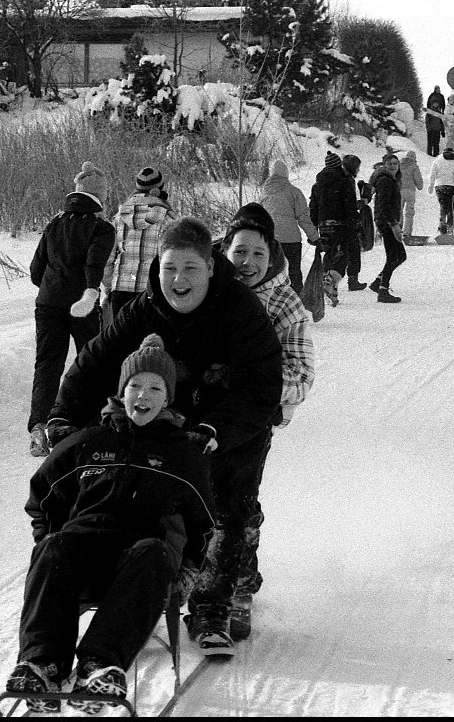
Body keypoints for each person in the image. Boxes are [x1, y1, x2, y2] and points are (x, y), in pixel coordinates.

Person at [44, 216, 283, 656]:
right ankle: (135, 580)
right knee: (146, 499)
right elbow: (95, 363)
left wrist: (216, 430)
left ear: (211, 266)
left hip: (231, 425)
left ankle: (212, 607)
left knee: (225, 508)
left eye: (190, 268)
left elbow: (263, 386)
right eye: (170, 267)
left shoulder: (241, 311)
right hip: (167, 419)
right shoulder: (144, 308)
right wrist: (62, 417)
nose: (179, 279)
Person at [5, 334, 216, 714]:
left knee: (152, 550)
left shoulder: (182, 455)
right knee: (55, 546)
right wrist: (48, 538)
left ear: (167, 397)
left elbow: (202, 524)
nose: (143, 395)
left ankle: (100, 664)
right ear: (121, 391)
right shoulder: (88, 441)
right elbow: (43, 496)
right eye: (135, 385)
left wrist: (186, 572)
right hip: (84, 558)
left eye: (155, 387)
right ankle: (42, 664)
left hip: (139, 566)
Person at [218, 202, 315, 639]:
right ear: (226, 250)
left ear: (272, 254)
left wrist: (256, 389)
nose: (248, 263)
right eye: (240, 252)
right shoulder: (205, 286)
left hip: (253, 420)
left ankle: (239, 586)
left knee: (237, 501)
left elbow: (301, 373)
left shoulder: (285, 305)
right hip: (199, 413)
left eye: (258, 254)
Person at [28, 161, 116, 457]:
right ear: (100, 197)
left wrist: (54, 286)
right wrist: (88, 290)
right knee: (89, 361)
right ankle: (88, 423)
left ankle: (39, 428)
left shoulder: (54, 223)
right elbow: (94, 264)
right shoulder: (101, 228)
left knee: (47, 363)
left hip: (48, 303)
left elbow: (35, 270)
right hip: (82, 304)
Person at [102, 166, 177, 325]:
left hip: (120, 290)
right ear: (160, 189)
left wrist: (111, 284)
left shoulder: (119, 217)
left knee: (122, 344)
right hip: (152, 292)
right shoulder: (168, 220)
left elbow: (107, 259)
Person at [258, 159, 320, 295]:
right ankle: (297, 299)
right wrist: (315, 238)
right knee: (294, 272)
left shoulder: (264, 193)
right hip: (291, 240)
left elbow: (259, 217)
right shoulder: (293, 192)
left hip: (271, 240)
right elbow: (303, 218)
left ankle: (272, 299)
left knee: (272, 272)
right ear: (286, 174)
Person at [308, 151, 360, 306]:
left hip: (323, 226)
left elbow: (313, 208)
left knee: (329, 255)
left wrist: (313, 230)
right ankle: (329, 283)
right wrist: (355, 223)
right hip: (340, 225)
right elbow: (349, 205)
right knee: (342, 256)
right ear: (339, 166)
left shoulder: (317, 185)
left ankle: (329, 290)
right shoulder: (344, 182)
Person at [367, 154, 406, 304]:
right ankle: (383, 290)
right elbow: (383, 205)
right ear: (384, 165)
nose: (393, 166)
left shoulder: (391, 180)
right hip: (386, 222)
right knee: (395, 256)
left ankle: (379, 282)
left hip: (387, 221)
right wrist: (393, 224)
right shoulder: (385, 181)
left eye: (395, 163)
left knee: (399, 255)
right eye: (389, 163)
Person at [340, 154, 368, 291]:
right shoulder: (348, 180)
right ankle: (353, 280)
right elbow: (350, 203)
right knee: (353, 249)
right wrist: (363, 202)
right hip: (348, 220)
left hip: (336, 219)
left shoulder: (338, 178)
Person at [428, 144, 454, 235]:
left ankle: (442, 229)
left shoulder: (437, 160)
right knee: (450, 208)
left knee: (442, 207)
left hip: (439, 186)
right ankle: (450, 229)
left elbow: (432, 174)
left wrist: (431, 185)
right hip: (450, 187)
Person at [398, 150, 424, 238]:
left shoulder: (399, 165)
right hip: (410, 191)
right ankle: (407, 232)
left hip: (399, 190)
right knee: (409, 212)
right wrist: (420, 186)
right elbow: (419, 183)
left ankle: (398, 230)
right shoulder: (414, 166)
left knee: (398, 211)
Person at [425, 85, 446, 156]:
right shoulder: (430, 112)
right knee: (430, 143)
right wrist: (429, 129)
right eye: (437, 89)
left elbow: (441, 122)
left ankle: (436, 154)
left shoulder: (439, 112)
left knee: (436, 143)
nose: (436, 104)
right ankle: (429, 155)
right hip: (431, 129)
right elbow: (427, 121)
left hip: (437, 129)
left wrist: (442, 130)